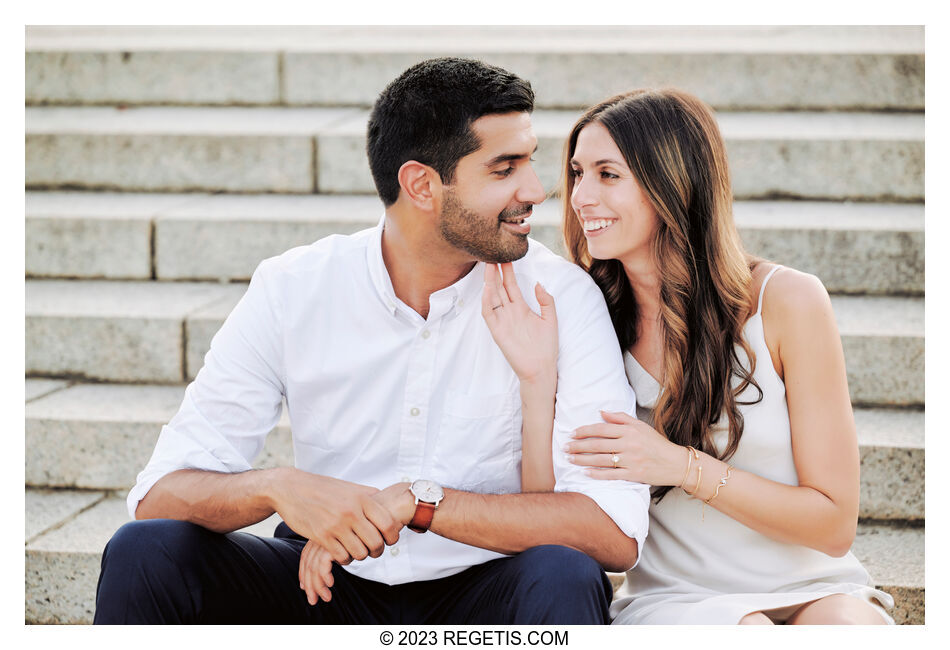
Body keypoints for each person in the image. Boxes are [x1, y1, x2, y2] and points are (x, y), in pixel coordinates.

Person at [92, 57, 651, 625]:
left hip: (486, 592)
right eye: (504, 168)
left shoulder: (560, 296)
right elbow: (157, 495)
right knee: (146, 553)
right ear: (421, 185)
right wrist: (278, 488)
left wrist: (424, 503)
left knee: (564, 575)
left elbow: (612, 531)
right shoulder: (295, 287)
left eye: (528, 162)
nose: (536, 189)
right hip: (322, 586)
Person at [484, 88, 895, 624]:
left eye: (608, 175)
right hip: (673, 599)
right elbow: (548, 511)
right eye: (578, 173)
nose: (580, 196)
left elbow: (834, 524)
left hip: (816, 584)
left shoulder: (787, 301)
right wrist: (536, 385)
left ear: (674, 183)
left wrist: (679, 466)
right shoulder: (587, 315)